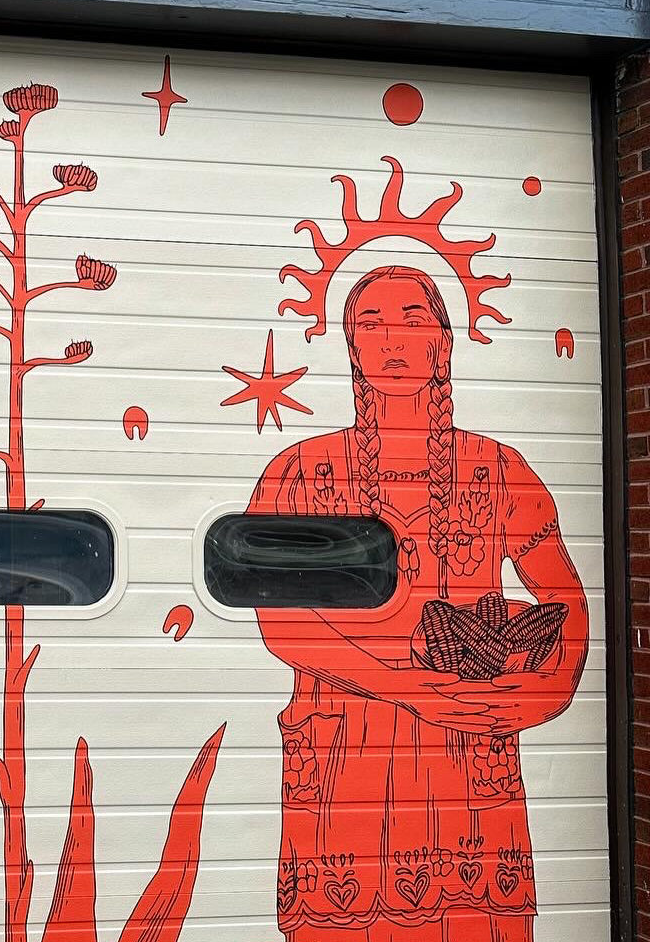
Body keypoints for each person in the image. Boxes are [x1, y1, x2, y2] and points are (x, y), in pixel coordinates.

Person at [249, 265, 588, 941]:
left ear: (444, 342)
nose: (392, 340)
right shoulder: (300, 471)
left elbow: (565, 600)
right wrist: (410, 688)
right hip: (347, 752)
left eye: (413, 320)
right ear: (351, 346)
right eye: (371, 324)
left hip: (469, 753)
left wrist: (538, 693)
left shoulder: (499, 470)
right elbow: (282, 620)